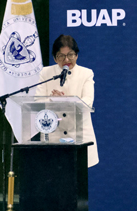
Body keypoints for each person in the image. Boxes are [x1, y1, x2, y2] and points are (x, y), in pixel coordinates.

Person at [34, 34, 99, 167]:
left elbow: (87, 102)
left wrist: (64, 101)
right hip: (53, 137)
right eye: (61, 56)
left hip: (79, 137)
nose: (66, 59)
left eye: (70, 55)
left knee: (78, 177)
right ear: (54, 58)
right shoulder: (46, 73)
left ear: (77, 55)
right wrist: (52, 101)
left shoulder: (86, 73)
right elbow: (37, 103)